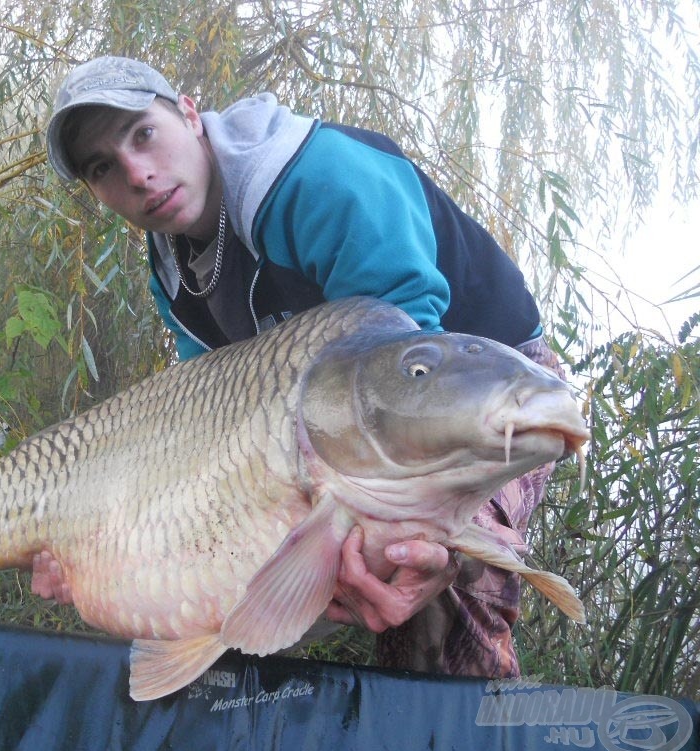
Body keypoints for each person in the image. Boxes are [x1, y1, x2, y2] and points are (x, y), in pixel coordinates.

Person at [33, 55, 566, 679]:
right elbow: (214, 418)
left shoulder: (315, 178)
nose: (139, 174)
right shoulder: (171, 269)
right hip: (334, 407)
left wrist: (422, 536)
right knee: (227, 562)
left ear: (187, 112)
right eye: (104, 168)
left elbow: (406, 363)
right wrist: (110, 547)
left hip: (477, 376)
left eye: (142, 134)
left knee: (415, 568)